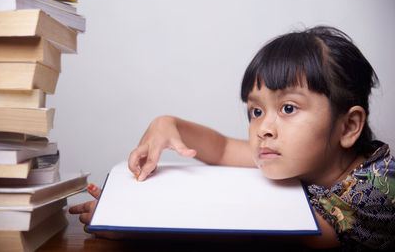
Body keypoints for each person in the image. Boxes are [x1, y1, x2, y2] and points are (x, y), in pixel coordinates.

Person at [69, 26, 395, 250]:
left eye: (289, 108)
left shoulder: (375, 192)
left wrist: (130, 227)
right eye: (255, 112)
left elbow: (246, 232)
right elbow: (223, 148)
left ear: (348, 126)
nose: (263, 128)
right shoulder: (298, 156)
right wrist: (168, 124)